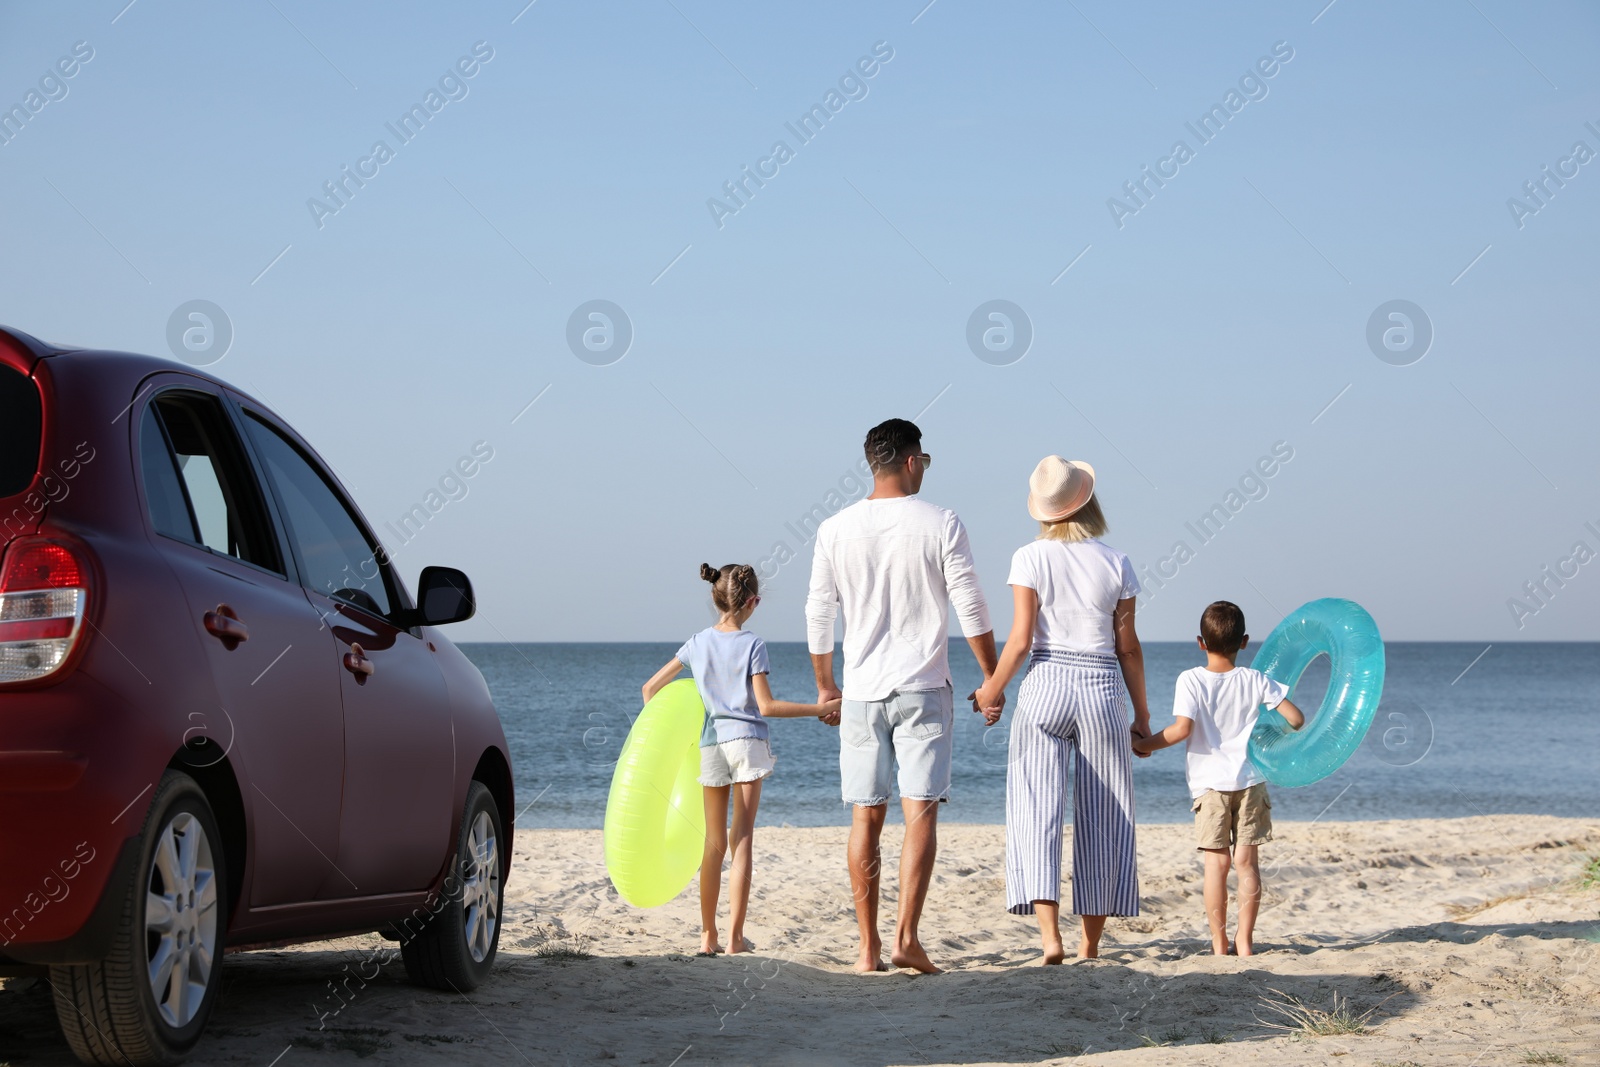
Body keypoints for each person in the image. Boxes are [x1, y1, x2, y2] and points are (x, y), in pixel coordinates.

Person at [805, 418, 998, 974]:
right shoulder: (941, 522)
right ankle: (906, 939)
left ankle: (867, 949)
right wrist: (988, 678)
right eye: (925, 461)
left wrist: (825, 685)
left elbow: (820, 614)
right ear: (912, 461)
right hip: (922, 687)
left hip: (862, 692)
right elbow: (970, 604)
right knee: (920, 817)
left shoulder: (834, 528)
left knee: (865, 819)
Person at [973, 456, 1150, 964]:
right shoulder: (1117, 562)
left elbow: (1021, 639)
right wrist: (1140, 716)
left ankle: (1050, 938)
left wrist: (990, 690)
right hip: (1100, 686)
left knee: (1035, 810)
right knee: (1105, 812)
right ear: (1087, 500)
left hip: (1046, 682)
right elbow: (1129, 649)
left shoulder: (1028, 556)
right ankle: (1089, 944)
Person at [642, 563, 841, 957]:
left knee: (713, 844)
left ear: (715, 597)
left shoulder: (696, 643)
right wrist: (821, 709)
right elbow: (765, 706)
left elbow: (650, 689)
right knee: (742, 840)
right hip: (747, 742)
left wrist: (669, 741)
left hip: (710, 745)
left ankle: (707, 937)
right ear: (753, 602)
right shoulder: (753, 644)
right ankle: (735, 939)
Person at [1132, 600, 1305, 956]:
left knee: (1217, 864)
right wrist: (1273, 737)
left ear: (1200, 642)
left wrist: (1143, 745)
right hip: (1251, 780)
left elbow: (1181, 730)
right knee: (1247, 864)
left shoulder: (1190, 679)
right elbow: (1297, 719)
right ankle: (1245, 940)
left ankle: (1218, 942)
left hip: (1210, 786)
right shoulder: (1256, 679)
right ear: (1244, 642)